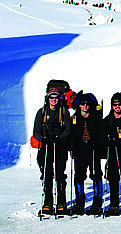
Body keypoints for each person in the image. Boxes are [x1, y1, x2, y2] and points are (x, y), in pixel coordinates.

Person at [33, 87, 71, 215]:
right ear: (47, 99)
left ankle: (61, 202)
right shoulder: (42, 112)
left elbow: (67, 130)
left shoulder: (64, 112)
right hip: (46, 146)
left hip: (59, 146)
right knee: (47, 174)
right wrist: (43, 139)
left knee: (60, 175)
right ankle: (48, 202)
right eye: (51, 97)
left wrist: (59, 138)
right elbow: (36, 131)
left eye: (56, 98)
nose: (54, 100)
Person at [69, 93, 104, 215]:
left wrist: (98, 144)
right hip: (79, 149)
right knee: (79, 175)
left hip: (93, 148)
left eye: (87, 104)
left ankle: (97, 202)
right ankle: (79, 202)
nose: (85, 106)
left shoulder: (96, 117)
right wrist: (72, 146)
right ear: (79, 105)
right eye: (82, 104)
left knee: (95, 174)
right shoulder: (74, 118)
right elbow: (71, 134)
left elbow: (101, 133)